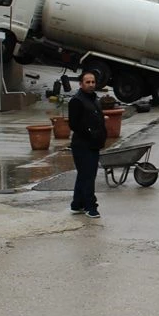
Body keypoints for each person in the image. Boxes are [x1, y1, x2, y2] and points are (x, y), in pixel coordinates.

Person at [68, 69, 107, 218]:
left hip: (94, 144)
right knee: (88, 176)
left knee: (84, 175)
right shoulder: (77, 101)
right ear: (81, 84)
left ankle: (77, 204)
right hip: (82, 145)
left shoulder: (94, 99)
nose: (91, 85)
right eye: (88, 82)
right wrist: (90, 133)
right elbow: (74, 124)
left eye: (93, 82)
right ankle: (91, 207)